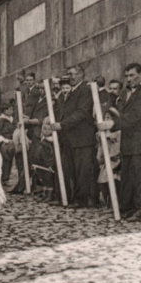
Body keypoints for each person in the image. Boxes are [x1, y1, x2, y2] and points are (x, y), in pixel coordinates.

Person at [99, 63, 141, 220]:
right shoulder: (128, 93)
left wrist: (113, 124)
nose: (129, 79)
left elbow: (137, 115)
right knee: (129, 175)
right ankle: (129, 208)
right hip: (129, 141)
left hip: (140, 140)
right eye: (127, 76)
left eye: (132, 75)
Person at [51, 65, 96, 208]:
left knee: (82, 170)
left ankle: (81, 199)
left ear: (81, 74)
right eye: (68, 74)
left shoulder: (85, 91)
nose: (69, 77)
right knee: (68, 168)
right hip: (69, 138)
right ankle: (67, 196)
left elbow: (81, 113)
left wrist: (62, 124)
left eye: (72, 74)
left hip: (82, 138)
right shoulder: (72, 91)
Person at [0, 100, 17, 184]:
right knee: (4, 160)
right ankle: (2, 178)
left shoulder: (12, 120)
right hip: (3, 142)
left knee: (9, 160)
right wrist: (3, 141)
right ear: (4, 110)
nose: (11, 111)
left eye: (12, 109)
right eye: (9, 109)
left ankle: (6, 178)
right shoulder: (0, 120)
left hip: (11, 141)